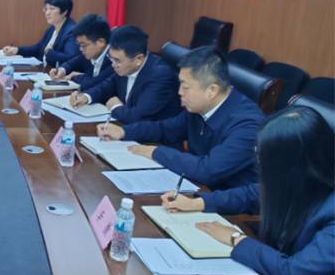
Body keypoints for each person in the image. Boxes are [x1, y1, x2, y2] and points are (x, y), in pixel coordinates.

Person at [161, 106, 335, 275]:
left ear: (292, 164)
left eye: (265, 158)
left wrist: (236, 238)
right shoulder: (303, 180)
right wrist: (196, 203)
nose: (259, 163)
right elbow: (251, 195)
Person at [98, 46, 263, 190]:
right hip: (194, 187)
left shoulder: (248, 125)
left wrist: (157, 152)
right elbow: (165, 129)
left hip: (227, 205)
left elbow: (208, 170)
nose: (180, 92)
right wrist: (123, 131)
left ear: (212, 90)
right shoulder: (200, 107)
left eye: (185, 87)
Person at [71, 25, 181, 123]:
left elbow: (137, 117)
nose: (113, 64)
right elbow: (105, 88)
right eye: (111, 58)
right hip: (128, 129)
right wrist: (86, 97)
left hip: (153, 137)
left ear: (139, 59)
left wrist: (115, 107)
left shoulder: (160, 76)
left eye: (117, 61)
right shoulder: (124, 67)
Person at [2, 0, 80, 67]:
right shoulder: (51, 29)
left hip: (60, 74)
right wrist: (17, 50)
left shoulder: (71, 31)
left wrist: (49, 53)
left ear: (64, 12)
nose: (47, 13)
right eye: (46, 8)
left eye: (52, 9)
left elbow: (71, 58)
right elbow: (38, 48)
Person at [49, 13, 113, 88]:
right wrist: (61, 70)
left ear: (101, 42)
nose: (80, 49)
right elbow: (71, 63)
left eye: (83, 45)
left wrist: (76, 76)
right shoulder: (89, 54)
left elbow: (92, 85)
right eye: (79, 44)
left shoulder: (113, 60)